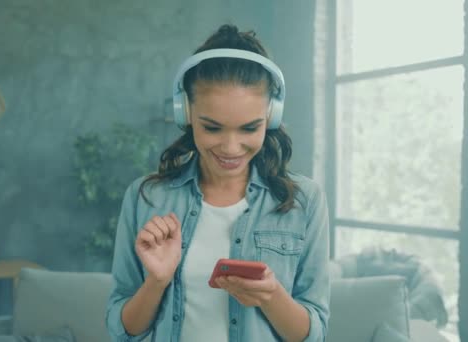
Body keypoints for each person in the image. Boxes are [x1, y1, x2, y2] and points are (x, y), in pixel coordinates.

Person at [106, 24, 330, 342]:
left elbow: (314, 335)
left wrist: (271, 296)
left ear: (272, 117)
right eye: (212, 128)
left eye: (249, 128)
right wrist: (157, 281)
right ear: (185, 114)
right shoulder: (146, 198)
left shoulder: (305, 201)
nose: (230, 147)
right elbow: (122, 331)